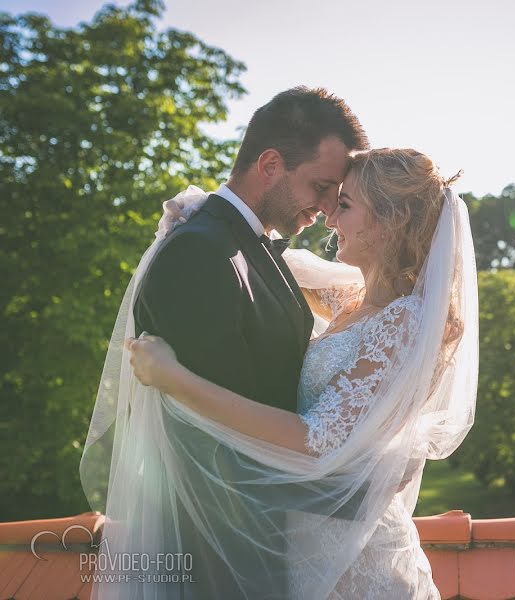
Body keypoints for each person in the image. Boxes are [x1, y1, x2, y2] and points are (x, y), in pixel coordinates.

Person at [83, 147, 478, 599]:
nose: (330, 219)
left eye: (345, 205)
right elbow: (263, 261)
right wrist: (205, 212)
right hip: (300, 546)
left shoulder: (404, 322)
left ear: (391, 222)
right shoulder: (353, 298)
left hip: (355, 565)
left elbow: (315, 440)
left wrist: (174, 379)